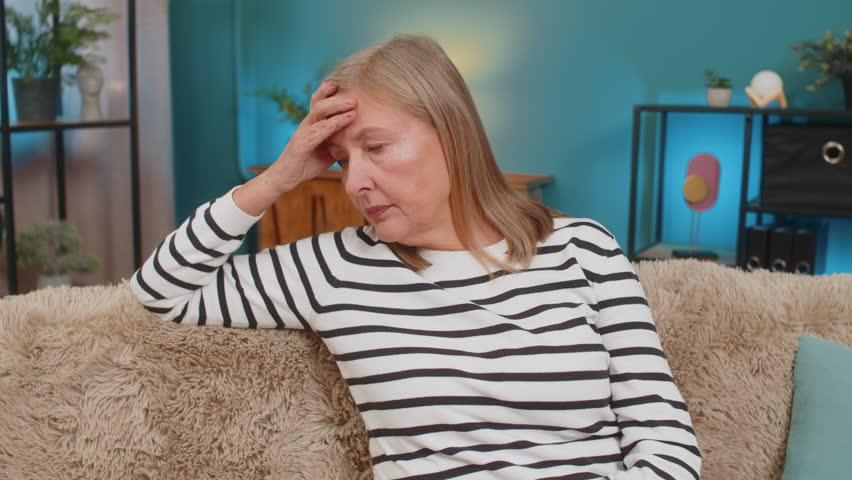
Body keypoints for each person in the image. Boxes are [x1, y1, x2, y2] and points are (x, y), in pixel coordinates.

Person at [131, 34, 701, 480]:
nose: (355, 182)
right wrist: (278, 178)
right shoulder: (334, 269)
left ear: (453, 133)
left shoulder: (585, 249)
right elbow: (159, 291)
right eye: (342, 160)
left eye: (376, 148)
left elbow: (664, 436)